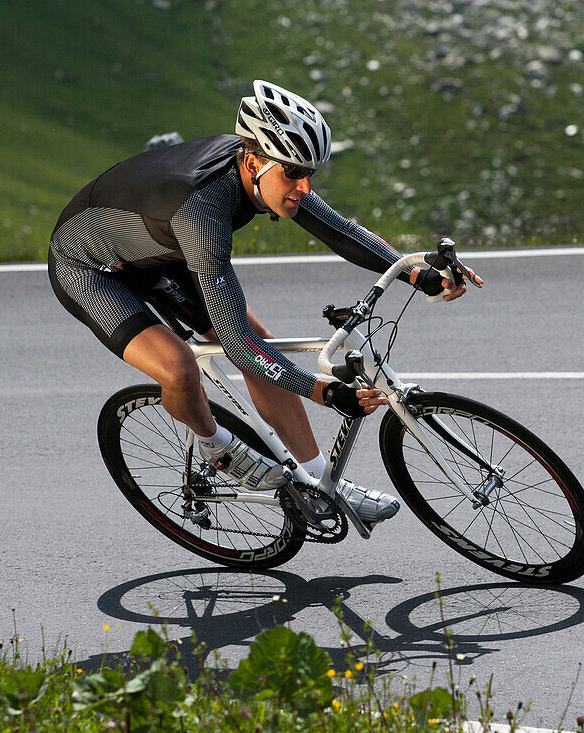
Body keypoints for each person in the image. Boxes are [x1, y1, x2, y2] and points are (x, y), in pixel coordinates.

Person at [48, 79, 479, 525]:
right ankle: (215, 445)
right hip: (90, 269)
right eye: (293, 173)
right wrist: (325, 392)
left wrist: (417, 272)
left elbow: (343, 233)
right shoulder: (204, 212)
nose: (305, 186)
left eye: (311, 172)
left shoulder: (265, 173)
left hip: (164, 251)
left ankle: (319, 482)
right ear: (252, 161)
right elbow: (238, 348)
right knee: (180, 369)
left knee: (261, 340)